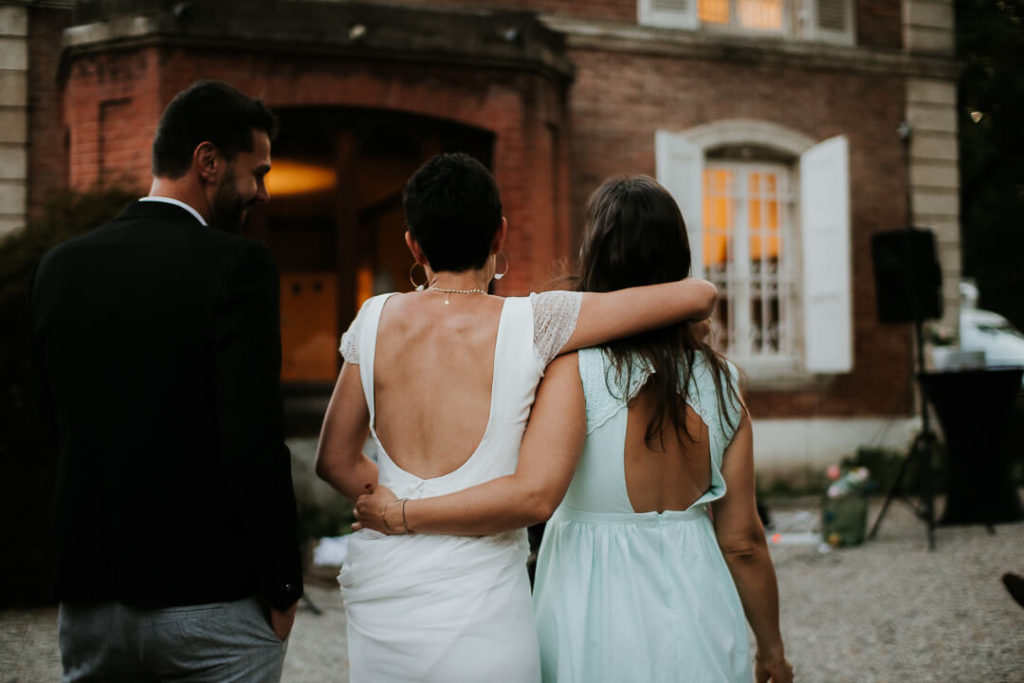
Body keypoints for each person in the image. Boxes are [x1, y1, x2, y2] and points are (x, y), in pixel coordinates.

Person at [354, 175, 794, 682]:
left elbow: (525, 485)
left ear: (596, 254)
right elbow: (743, 541)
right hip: (700, 611)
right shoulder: (724, 380)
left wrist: (406, 510)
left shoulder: (572, 367)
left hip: (589, 613)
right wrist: (772, 650)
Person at [29, 80, 303, 682]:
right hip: (210, 604)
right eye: (256, 172)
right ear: (208, 162)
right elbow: (253, 436)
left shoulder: (60, 268)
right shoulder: (239, 266)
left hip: (90, 601)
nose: (261, 192)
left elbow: (50, 430)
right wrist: (283, 585)